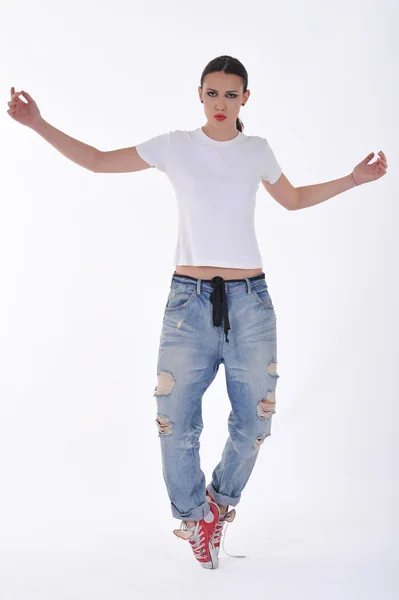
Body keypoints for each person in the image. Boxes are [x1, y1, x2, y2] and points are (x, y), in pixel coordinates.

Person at [7, 55, 388, 571]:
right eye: (213, 93)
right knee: (174, 421)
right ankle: (192, 518)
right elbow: (97, 161)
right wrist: (37, 124)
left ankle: (219, 504)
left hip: (251, 302)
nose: (221, 104)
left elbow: (293, 199)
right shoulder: (175, 146)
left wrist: (353, 179)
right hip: (188, 302)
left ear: (246, 98)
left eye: (232, 95)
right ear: (200, 94)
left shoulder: (257, 151)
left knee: (256, 420)